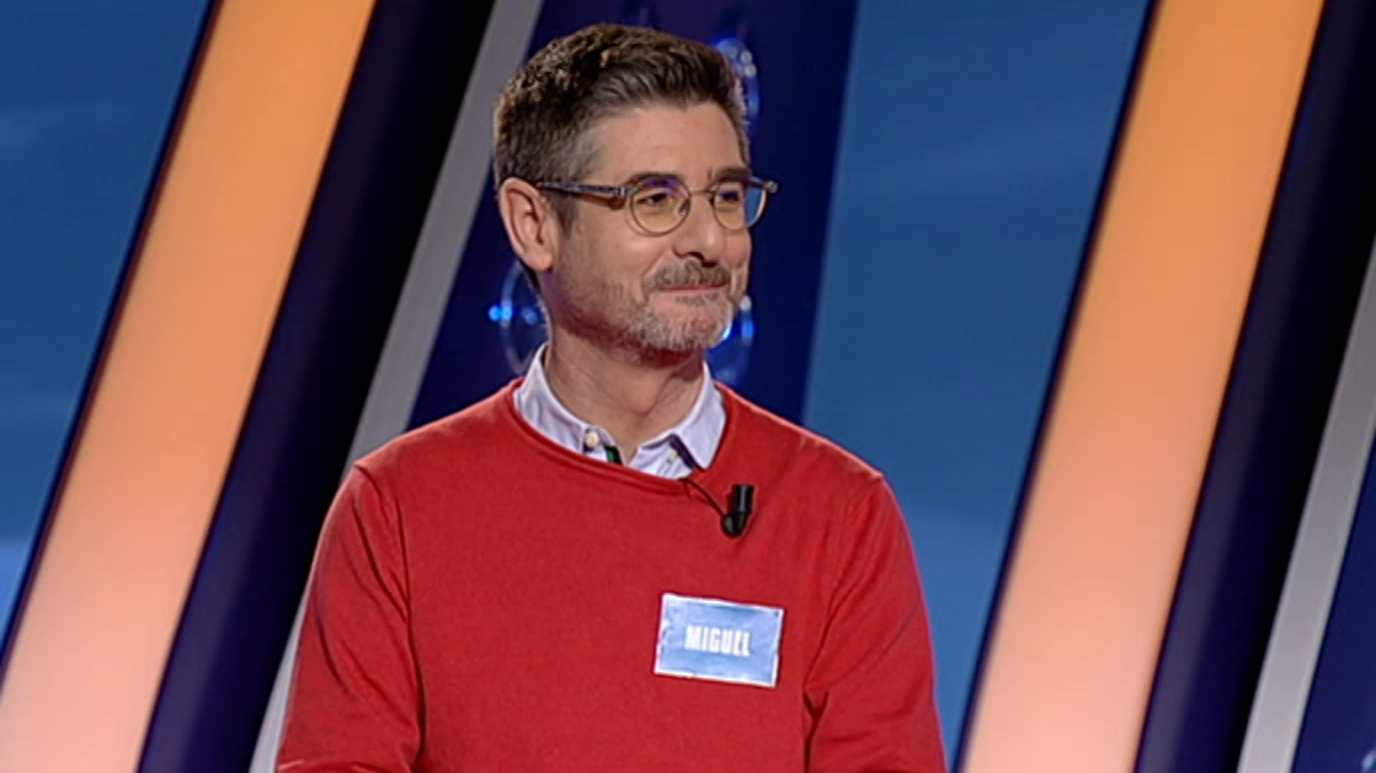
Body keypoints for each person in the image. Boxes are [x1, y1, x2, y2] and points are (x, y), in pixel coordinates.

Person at [278, 23, 945, 773]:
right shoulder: (397, 505)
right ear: (534, 225)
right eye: (655, 199)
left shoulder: (842, 514)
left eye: (727, 196)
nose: (709, 241)